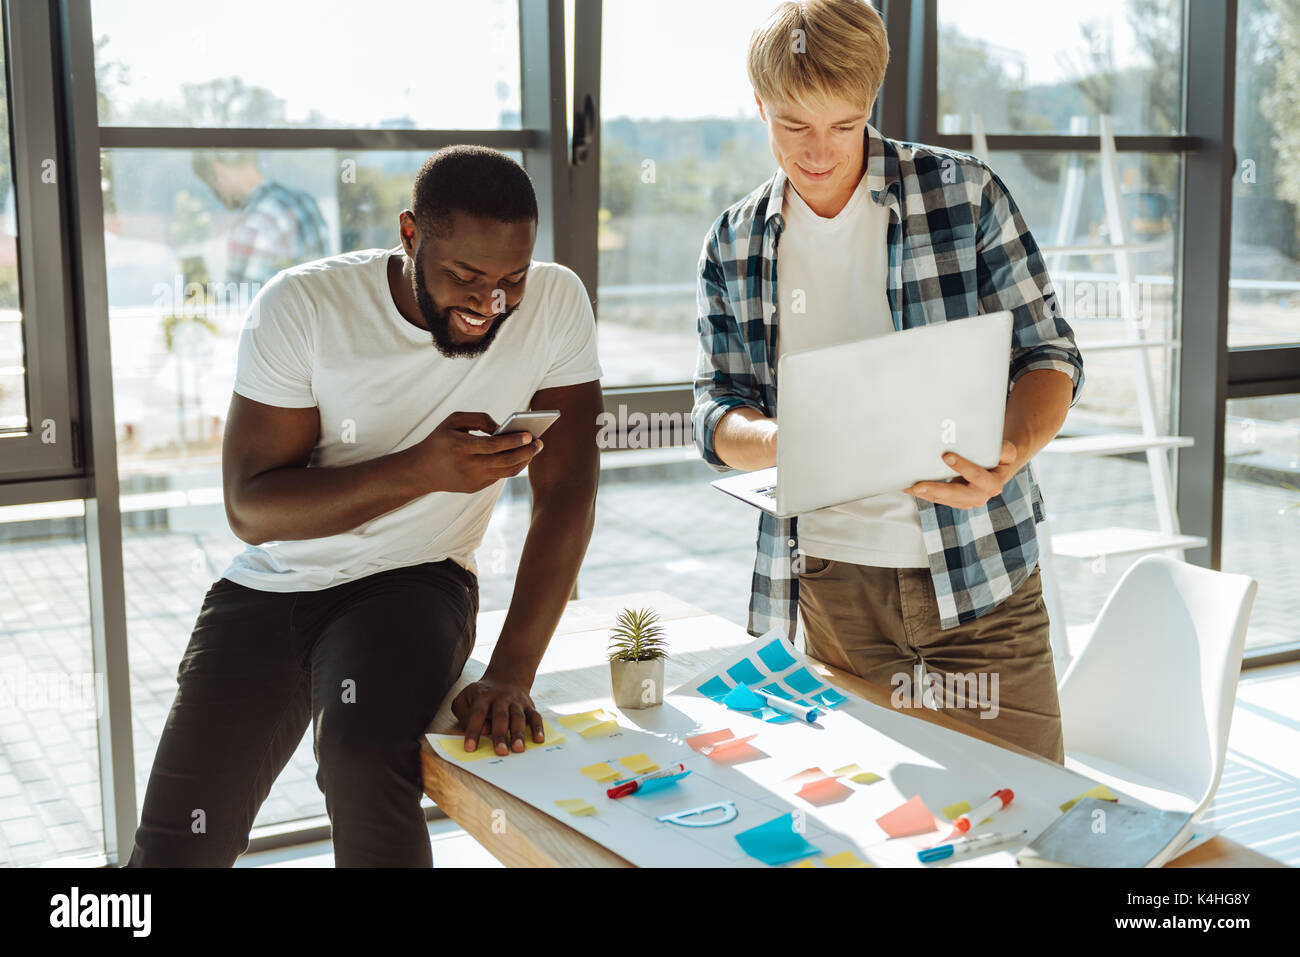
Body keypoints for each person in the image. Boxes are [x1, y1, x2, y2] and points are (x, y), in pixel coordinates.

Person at [129, 146, 604, 866]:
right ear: (411, 235)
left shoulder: (556, 302)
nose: (489, 305)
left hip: (415, 579)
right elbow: (252, 507)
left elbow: (568, 490)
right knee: (176, 841)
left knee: (359, 756)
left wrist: (510, 670)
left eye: (510, 280)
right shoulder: (304, 306)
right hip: (271, 586)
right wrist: (421, 470)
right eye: (466, 278)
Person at [691, 0, 1084, 763]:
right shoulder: (733, 242)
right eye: (794, 125)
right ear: (759, 105)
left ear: (871, 103)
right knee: (875, 821)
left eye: (844, 125)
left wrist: (1008, 449)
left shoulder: (962, 194)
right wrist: (786, 439)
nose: (819, 152)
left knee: (1036, 817)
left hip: (982, 574)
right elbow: (714, 412)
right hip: (834, 587)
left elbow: (1049, 355)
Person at [192, 150, 329, 286]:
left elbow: (243, 302)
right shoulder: (306, 202)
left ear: (219, 170)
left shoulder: (255, 222)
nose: (218, 196)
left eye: (212, 186)